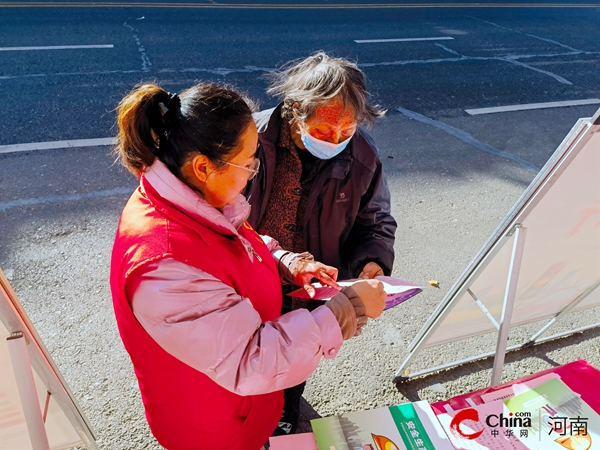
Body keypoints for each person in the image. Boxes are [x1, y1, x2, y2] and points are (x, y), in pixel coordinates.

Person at [109, 82, 386, 450]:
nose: (254, 172)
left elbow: (239, 243)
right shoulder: (166, 266)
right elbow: (251, 360)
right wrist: (347, 308)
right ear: (205, 166)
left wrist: (289, 262)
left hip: (237, 407)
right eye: (249, 162)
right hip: (212, 427)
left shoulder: (192, 196)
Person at [245, 52, 397, 435]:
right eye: (326, 130)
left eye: (346, 131)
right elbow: (225, 220)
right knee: (244, 364)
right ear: (297, 110)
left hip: (309, 290)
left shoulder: (361, 155)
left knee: (296, 361)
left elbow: (375, 220)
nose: (336, 140)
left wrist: (372, 260)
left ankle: (285, 416)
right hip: (249, 279)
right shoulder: (250, 142)